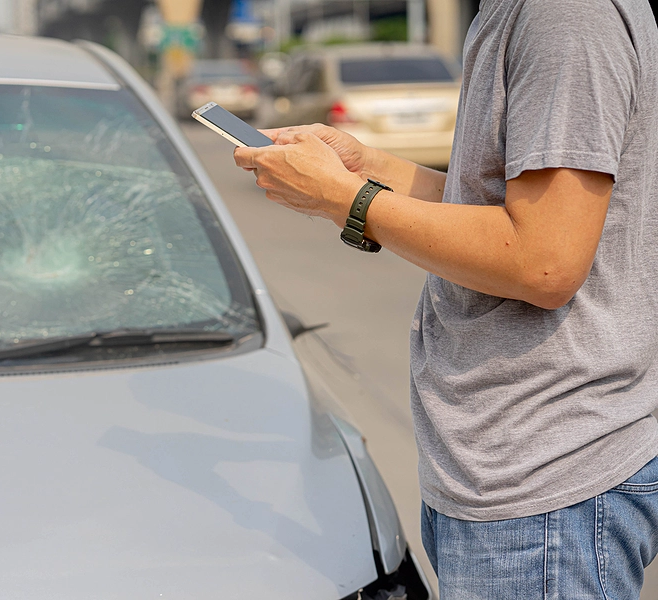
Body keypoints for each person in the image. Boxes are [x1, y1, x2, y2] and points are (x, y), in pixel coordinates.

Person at [233, 0, 658, 597]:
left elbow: (543, 261)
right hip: (510, 479)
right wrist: (364, 169)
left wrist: (344, 200)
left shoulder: (565, 14)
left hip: (540, 486)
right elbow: (495, 209)